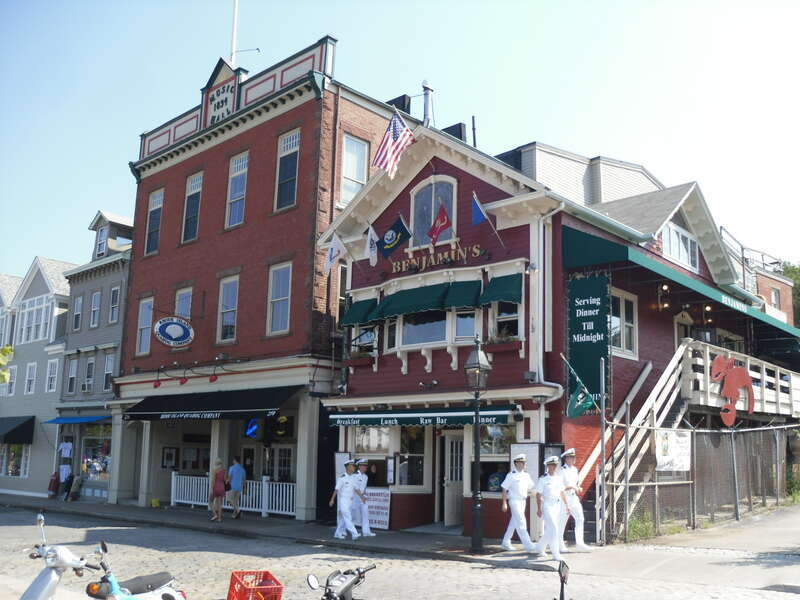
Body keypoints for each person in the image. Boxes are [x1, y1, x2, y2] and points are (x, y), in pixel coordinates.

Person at [533, 455, 569, 561]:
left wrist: (567, 505)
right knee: (554, 528)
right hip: (547, 505)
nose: (553, 467)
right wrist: (539, 508)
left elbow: (562, 492)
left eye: (555, 465)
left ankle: (540, 547)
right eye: (551, 465)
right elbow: (538, 494)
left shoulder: (558, 478)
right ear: (547, 466)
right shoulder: (543, 479)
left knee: (550, 529)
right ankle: (555, 553)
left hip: (557, 505)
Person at [500, 453, 536, 552]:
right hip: (514, 501)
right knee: (521, 522)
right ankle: (528, 545)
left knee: (514, 523)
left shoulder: (526, 475)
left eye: (524, 462)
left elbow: (531, 487)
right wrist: (504, 503)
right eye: (522, 462)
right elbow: (504, 488)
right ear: (517, 463)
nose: (524, 464)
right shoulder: (511, 475)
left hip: (523, 501)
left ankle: (505, 542)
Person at [559, 448, 591, 552]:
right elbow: (560, 487)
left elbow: (575, 483)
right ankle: (560, 544)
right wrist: (573, 487)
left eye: (573, 457)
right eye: (570, 457)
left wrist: (578, 487)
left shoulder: (575, 470)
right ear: (566, 459)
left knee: (580, 518)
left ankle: (580, 543)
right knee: (562, 522)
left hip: (574, 498)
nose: (572, 459)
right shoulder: (561, 471)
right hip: (565, 499)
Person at [328, 459, 363, 540]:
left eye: (354, 466)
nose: (354, 468)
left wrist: (362, 497)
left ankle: (337, 533)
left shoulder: (353, 478)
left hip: (350, 501)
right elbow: (336, 490)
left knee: (344, 519)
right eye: (352, 466)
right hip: (343, 501)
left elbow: (357, 489)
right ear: (348, 467)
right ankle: (355, 534)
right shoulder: (342, 478)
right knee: (348, 517)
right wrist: (332, 500)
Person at [351, 459, 376, 537]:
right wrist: (361, 496)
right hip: (354, 498)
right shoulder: (354, 475)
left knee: (365, 514)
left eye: (366, 466)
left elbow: (363, 488)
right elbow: (355, 488)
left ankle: (366, 532)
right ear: (360, 467)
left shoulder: (366, 476)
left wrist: (364, 496)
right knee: (350, 515)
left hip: (362, 498)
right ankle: (341, 530)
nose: (366, 468)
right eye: (364, 466)